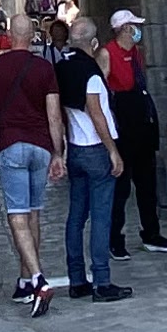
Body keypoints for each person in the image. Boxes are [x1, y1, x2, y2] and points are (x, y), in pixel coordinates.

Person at [0, 21, 64, 316]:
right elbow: (54, 115)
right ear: (33, 37)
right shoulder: (44, 68)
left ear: (9, 37)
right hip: (40, 146)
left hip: (12, 144)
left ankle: (37, 279)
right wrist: (58, 152)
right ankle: (25, 281)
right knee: (33, 213)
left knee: (17, 215)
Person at [54, 30, 128, 301]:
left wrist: (60, 148)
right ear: (94, 43)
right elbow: (97, 113)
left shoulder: (62, 68)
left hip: (76, 147)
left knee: (76, 216)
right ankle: (102, 281)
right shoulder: (91, 73)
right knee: (100, 216)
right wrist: (113, 151)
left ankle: (77, 279)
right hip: (96, 149)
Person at [102, 11, 167, 253]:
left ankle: (151, 233)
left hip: (142, 121)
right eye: (134, 25)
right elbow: (101, 91)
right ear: (125, 28)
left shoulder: (135, 53)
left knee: (147, 184)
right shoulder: (107, 53)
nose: (138, 30)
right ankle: (114, 239)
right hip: (124, 124)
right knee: (121, 187)